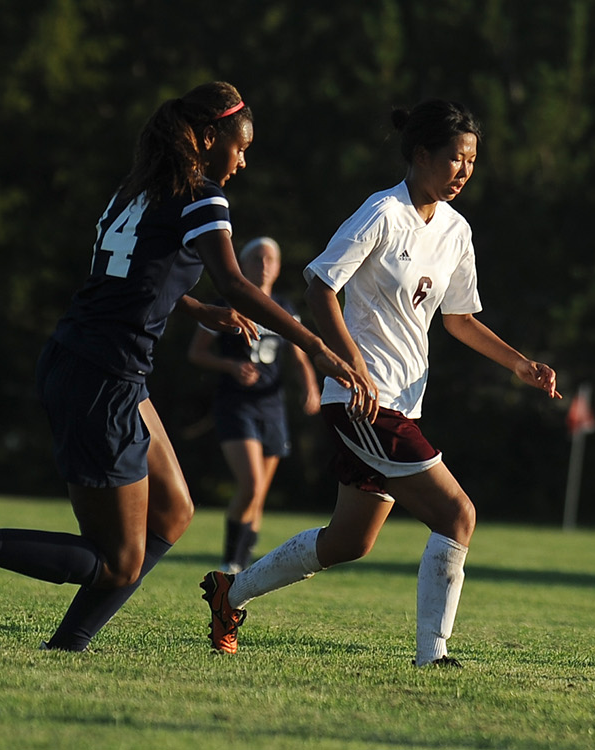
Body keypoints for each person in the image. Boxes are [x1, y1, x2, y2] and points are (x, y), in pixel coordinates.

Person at [0, 82, 378, 652]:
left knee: (173, 513)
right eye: (240, 148)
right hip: (105, 378)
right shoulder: (202, 195)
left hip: (91, 364)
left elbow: (130, 274)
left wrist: (197, 308)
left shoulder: (136, 189)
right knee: (118, 562)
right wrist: (318, 346)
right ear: (209, 138)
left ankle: (69, 644)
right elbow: (236, 280)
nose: (243, 160)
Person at [199, 99, 560, 665]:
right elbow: (320, 284)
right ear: (420, 155)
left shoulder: (456, 230)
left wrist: (517, 364)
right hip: (365, 401)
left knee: (350, 541)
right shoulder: (382, 212)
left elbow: (459, 318)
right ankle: (433, 655)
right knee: (457, 514)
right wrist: (352, 363)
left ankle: (229, 593)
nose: (464, 171)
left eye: (471, 161)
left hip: (403, 404)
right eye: (454, 159)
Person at [187, 236, 321, 574]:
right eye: (257, 258)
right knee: (251, 485)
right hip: (236, 405)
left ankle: (244, 564)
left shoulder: (284, 308)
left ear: (277, 268)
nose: (264, 265)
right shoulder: (225, 304)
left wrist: (311, 388)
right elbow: (196, 353)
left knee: (259, 495)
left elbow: (300, 356)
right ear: (242, 265)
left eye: (270, 259)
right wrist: (230, 366)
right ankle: (231, 559)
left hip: (272, 406)